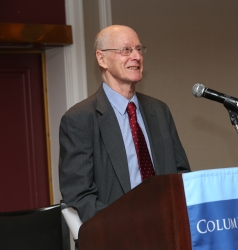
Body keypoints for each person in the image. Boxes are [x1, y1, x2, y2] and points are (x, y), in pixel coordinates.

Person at [59, 25, 190, 223]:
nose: (136, 56)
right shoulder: (79, 119)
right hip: (117, 234)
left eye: (139, 49)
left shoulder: (159, 111)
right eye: (126, 50)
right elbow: (79, 195)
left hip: (168, 228)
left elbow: (181, 174)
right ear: (101, 58)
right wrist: (128, 226)